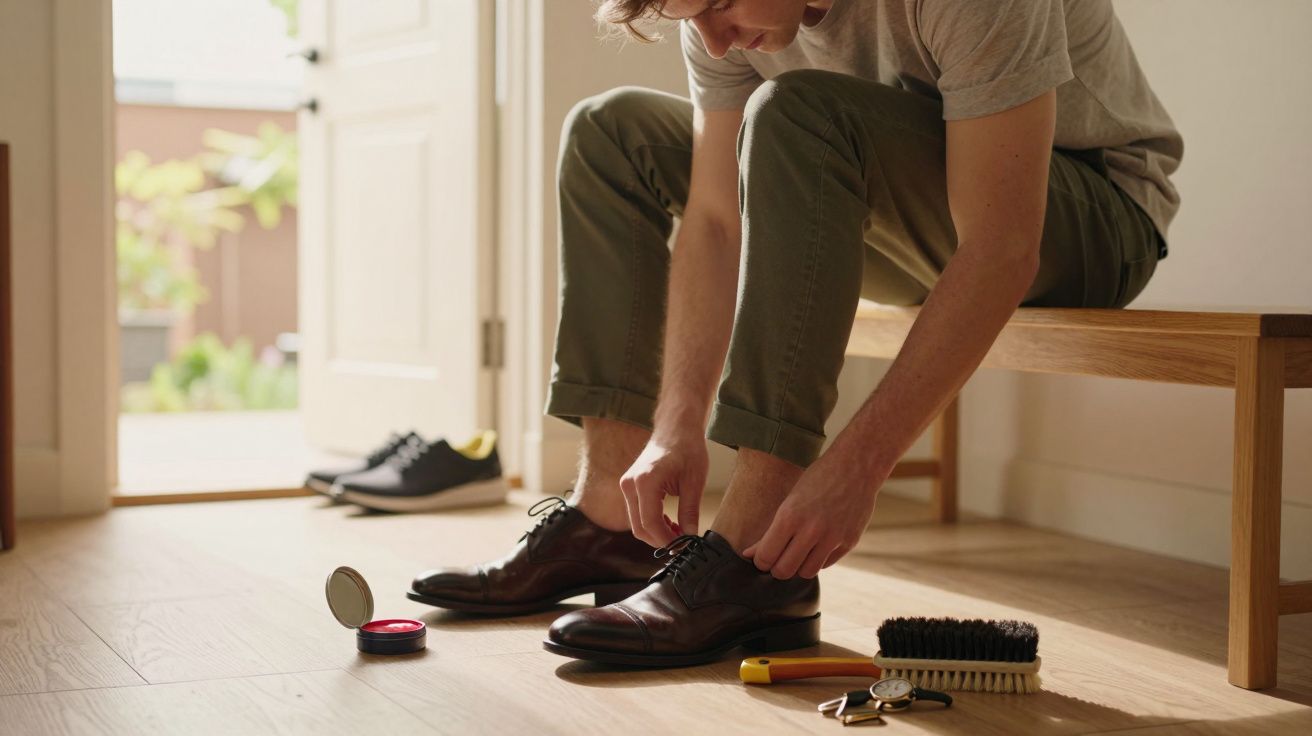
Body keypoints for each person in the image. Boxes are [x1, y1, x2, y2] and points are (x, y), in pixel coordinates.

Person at [410, 0, 1182, 666]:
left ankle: (757, 557)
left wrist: (858, 466)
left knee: (796, 109)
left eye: (714, 8)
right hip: (896, 207)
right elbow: (715, 222)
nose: (711, 41)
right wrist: (675, 427)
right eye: (690, 18)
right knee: (612, 130)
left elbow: (1003, 248)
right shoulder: (721, 23)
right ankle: (611, 518)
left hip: (1084, 214)